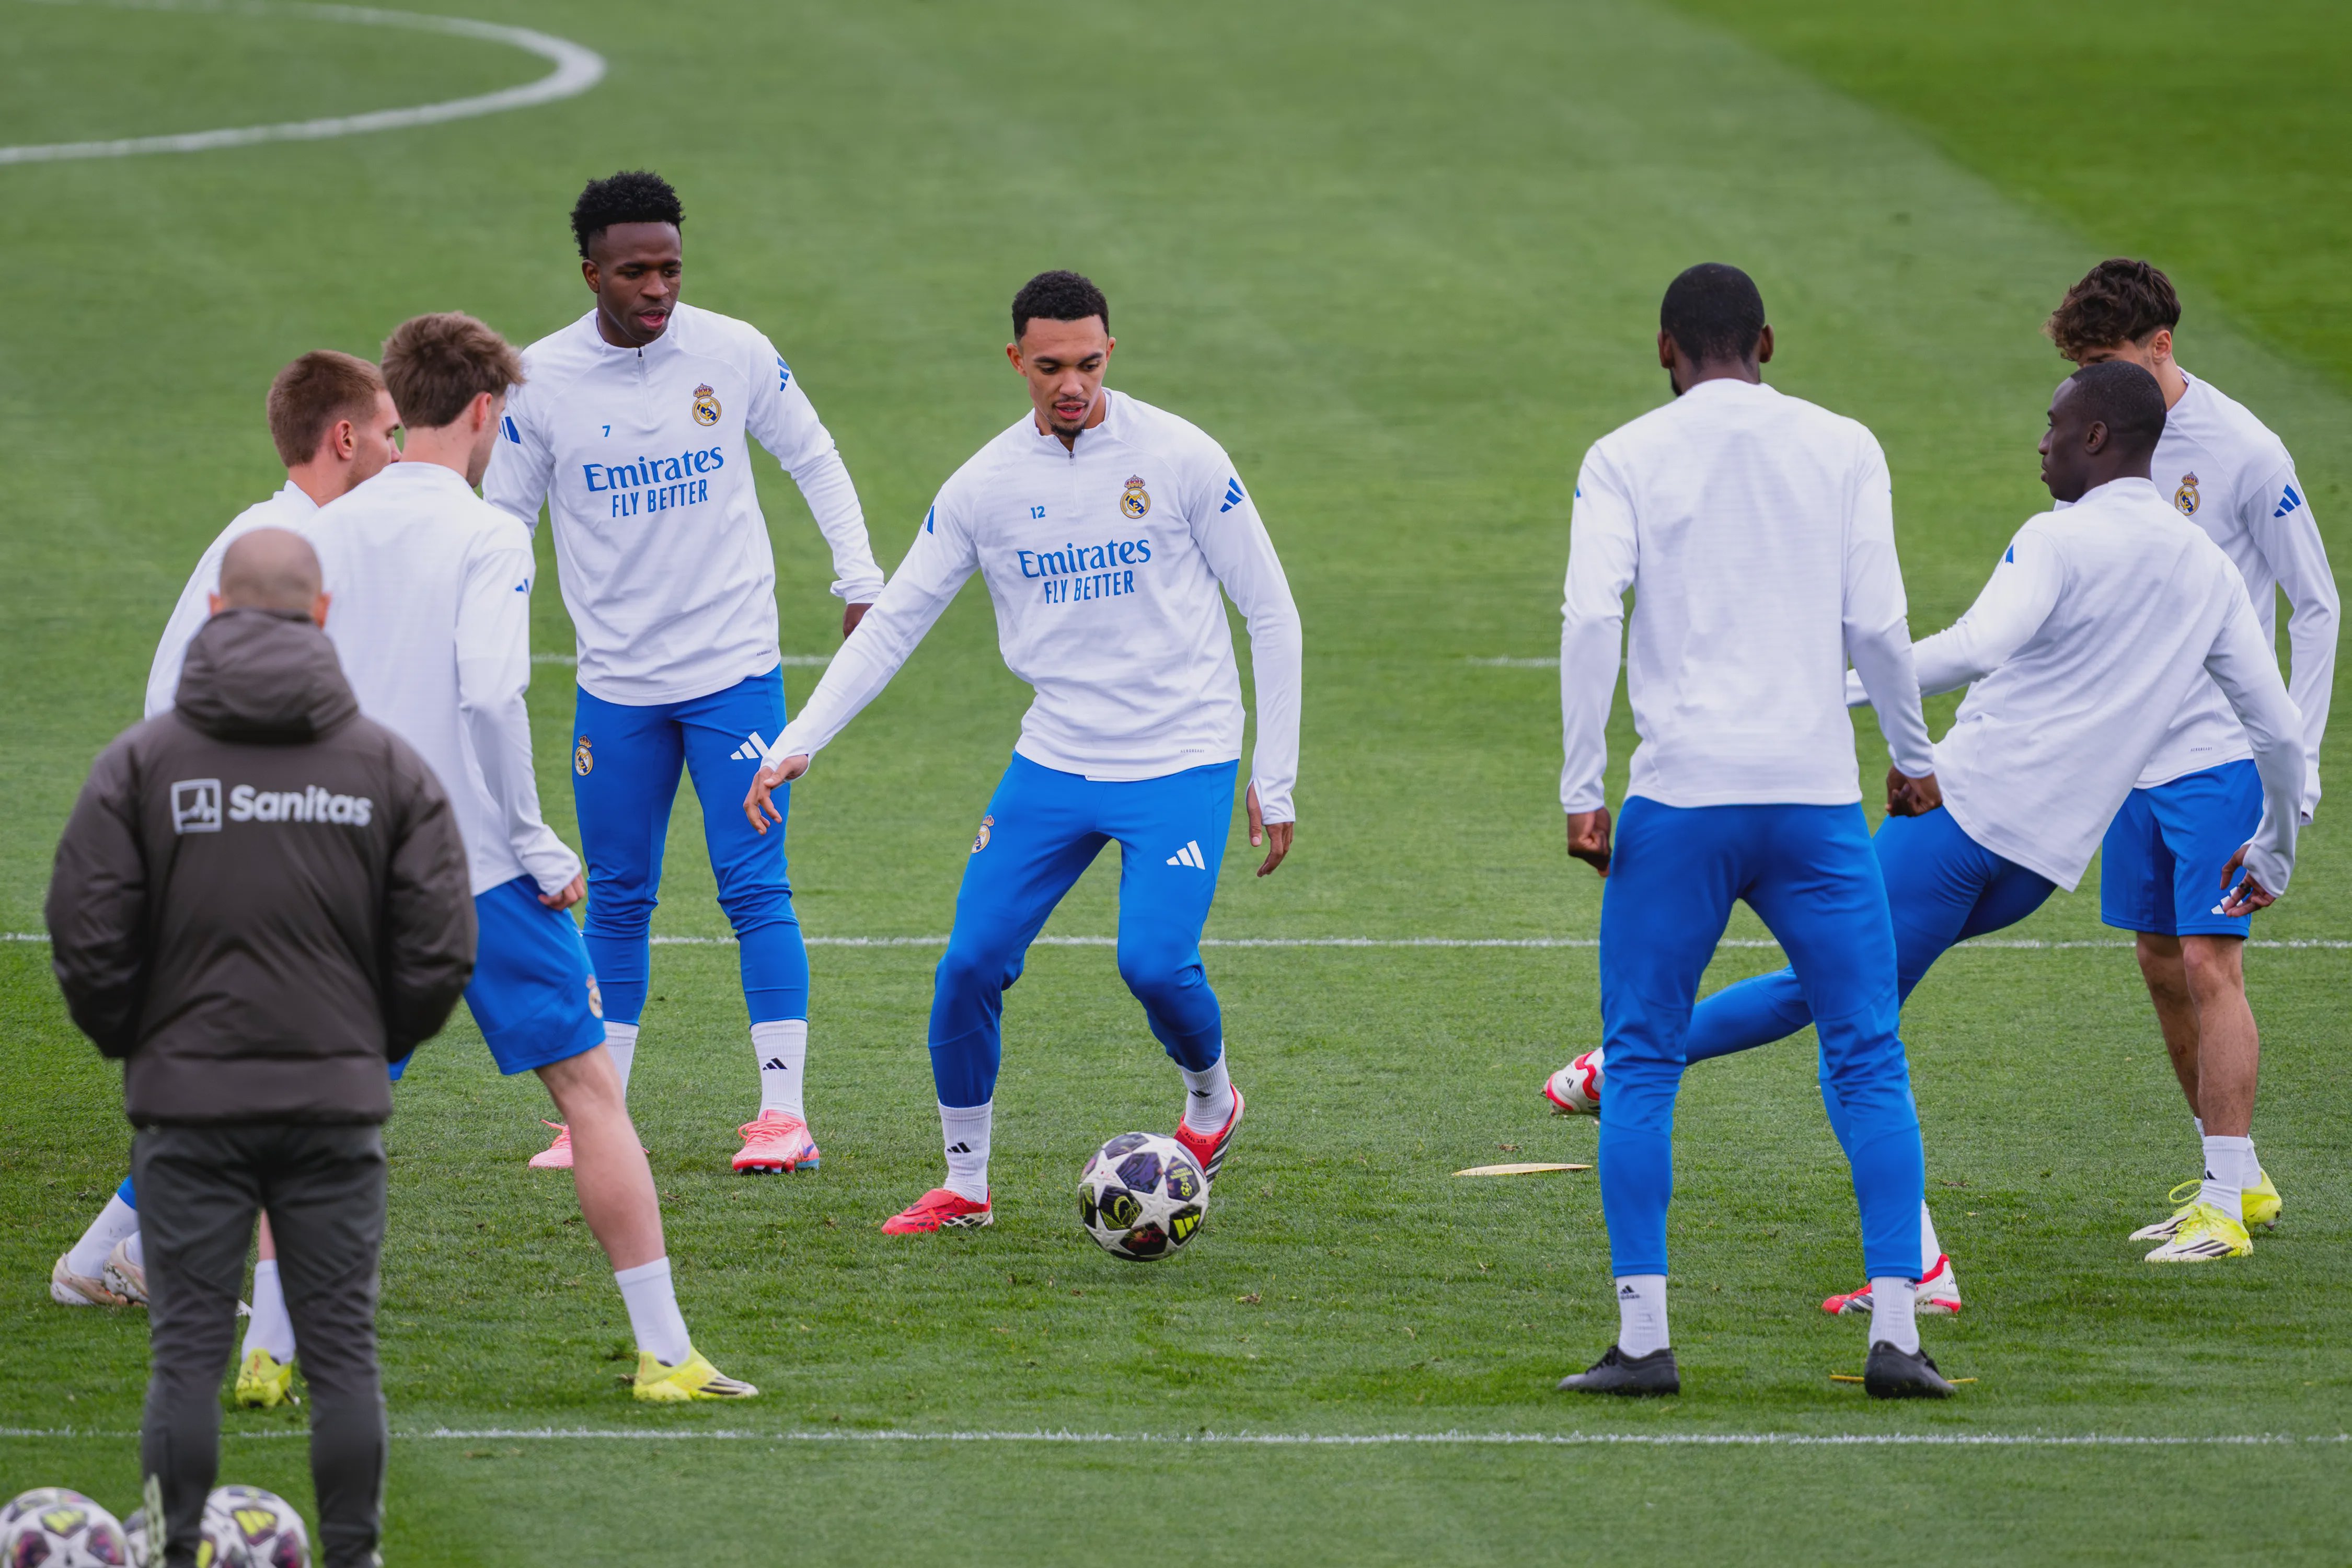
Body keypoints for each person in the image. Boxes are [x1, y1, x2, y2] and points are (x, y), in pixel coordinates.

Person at [1543, 362, 2305, 1304]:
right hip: (2036, 865)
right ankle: (1619, 1067)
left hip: (1960, 820)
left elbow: (1974, 648)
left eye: (2057, 425)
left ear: (2100, 438)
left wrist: (1827, 685)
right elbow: (2272, 725)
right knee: (1835, 987)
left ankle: (1918, 1268)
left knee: (1851, 1026)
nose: (2043, 441)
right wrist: (2276, 845)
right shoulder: (2210, 571)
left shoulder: (2059, 539)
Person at [741, 270, 1301, 1235]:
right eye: (1050, 367)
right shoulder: (984, 486)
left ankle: (1213, 1100)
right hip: (1056, 759)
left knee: (1156, 965)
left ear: (1110, 354)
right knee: (968, 966)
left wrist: (1275, 775)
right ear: (1017, 362)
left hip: (1183, 755)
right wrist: (799, 740)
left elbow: (1271, 610)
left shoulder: (1181, 457)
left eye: (1088, 363)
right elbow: (893, 620)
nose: (1070, 383)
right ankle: (965, 1187)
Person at [311, 310, 755, 1400]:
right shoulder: (490, 533)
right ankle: (663, 1353)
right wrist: (532, 837)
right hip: (477, 864)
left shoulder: (327, 529)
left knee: (322, 1106)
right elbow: (491, 694)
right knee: (590, 1095)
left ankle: (278, 1352)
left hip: (356, 860)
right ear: (484, 413)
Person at [1552, 263, 1947, 1399]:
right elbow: (1876, 618)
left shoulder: (1624, 454)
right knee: (1868, 1052)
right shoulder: (1845, 444)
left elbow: (1590, 615)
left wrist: (1586, 785)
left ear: (1662, 348)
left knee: (1639, 1060)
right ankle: (1898, 1338)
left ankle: (1642, 1342)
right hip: (1815, 799)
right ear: (1767, 340)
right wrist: (1914, 763)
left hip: (1680, 801)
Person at [48, 527, 476, 1568]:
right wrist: (372, 1041)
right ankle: (355, 1555)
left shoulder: (143, 763)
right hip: (335, 1102)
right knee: (341, 1357)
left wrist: (137, 1043)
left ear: (214, 613)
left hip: (187, 1103)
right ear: (324, 615)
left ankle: (172, 1545)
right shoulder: (386, 765)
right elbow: (443, 941)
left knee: (186, 1356)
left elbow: (84, 929)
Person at [483, 170, 885, 1175]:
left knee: (755, 889)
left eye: (669, 267)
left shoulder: (733, 351)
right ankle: (597, 1120)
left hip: (734, 676)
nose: (657, 287)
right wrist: (475, 624)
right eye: (635, 271)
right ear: (591, 273)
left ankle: (784, 1117)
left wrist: (860, 576)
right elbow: (500, 524)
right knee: (616, 895)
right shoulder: (541, 382)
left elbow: (815, 455)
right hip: (615, 689)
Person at [52, 349, 404, 1413]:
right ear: (343, 438)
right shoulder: (284, 546)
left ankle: (117, 1250)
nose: (399, 449)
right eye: (388, 432)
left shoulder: (289, 537)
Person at [2046, 260, 2336, 1242]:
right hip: (2134, 751)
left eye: (2105, 362)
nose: (2087, 385)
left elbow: (2319, 606)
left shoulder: (2246, 450)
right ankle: (2236, 1178)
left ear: (2161, 347)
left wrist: (2296, 759)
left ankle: (2222, 1208)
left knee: (2213, 963)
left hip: (2221, 752)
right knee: (2160, 960)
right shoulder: (2099, 440)